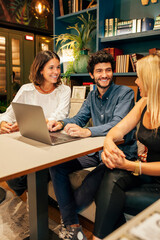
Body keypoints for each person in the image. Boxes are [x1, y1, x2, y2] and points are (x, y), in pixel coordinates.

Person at [47, 50, 137, 240]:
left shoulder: (125, 93)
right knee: (57, 165)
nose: (104, 75)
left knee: (84, 192)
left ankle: (67, 218)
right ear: (92, 74)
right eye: (99, 71)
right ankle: (72, 226)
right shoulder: (91, 96)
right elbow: (80, 118)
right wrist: (61, 123)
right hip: (96, 151)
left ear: (113, 72)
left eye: (108, 70)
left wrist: (88, 131)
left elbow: (118, 124)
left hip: (119, 153)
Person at [90, 53, 160, 240]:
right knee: (111, 177)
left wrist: (130, 166)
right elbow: (119, 128)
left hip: (155, 180)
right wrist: (108, 143)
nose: (136, 81)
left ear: (150, 81)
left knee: (111, 198)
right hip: (147, 174)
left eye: (139, 77)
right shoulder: (144, 103)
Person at [0, 50, 71, 196]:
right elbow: (9, 113)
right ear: (40, 69)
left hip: (52, 142)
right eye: (51, 67)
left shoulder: (64, 90)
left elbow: (58, 117)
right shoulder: (26, 90)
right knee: (14, 173)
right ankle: (29, 194)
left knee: (35, 169)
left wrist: (27, 123)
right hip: (28, 141)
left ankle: (31, 196)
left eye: (58, 67)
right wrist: (3, 123)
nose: (56, 71)